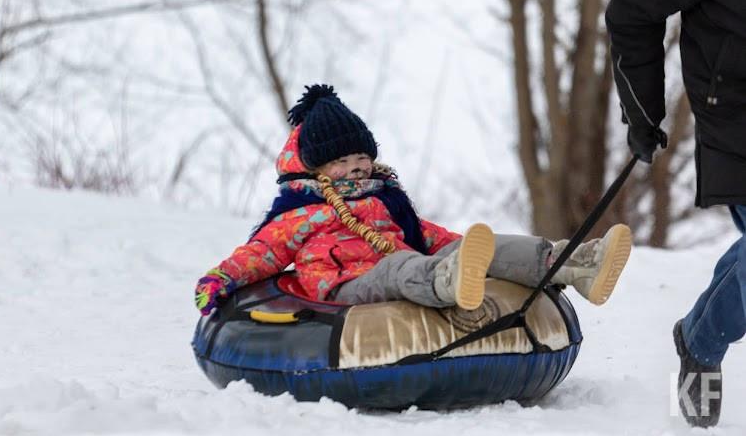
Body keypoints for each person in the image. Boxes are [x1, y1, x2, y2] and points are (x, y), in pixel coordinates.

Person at [194, 84, 632, 318]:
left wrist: (473, 251)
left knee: (475, 246)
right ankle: (449, 284)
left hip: (403, 260)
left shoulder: (385, 198)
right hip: (348, 283)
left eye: (363, 157)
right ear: (316, 168)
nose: (357, 167)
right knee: (402, 267)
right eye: (343, 161)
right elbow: (263, 252)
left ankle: (575, 263)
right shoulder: (300, 213)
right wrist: (221, 279)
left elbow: (424, 234)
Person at [604, 0, 746, 427]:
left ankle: (695, 335)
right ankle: (703, 343)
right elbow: (632, 9)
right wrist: (643, 110)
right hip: (737, 120)